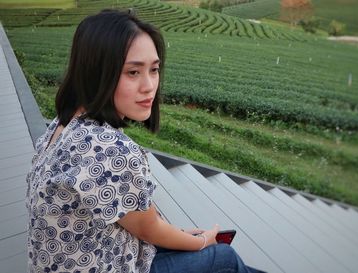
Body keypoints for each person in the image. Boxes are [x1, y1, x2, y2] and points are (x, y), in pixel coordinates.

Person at [26, 9, 266, 273]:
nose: (149, 85)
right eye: (133, 72)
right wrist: (202, 241)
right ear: (96, 72)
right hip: (107, 266)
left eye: (154, 69)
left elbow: (133, 220)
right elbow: (148, 229)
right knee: (224, 258)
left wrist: (180, 235)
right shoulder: (110, 150)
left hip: (85, 255)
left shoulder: (63, 123)